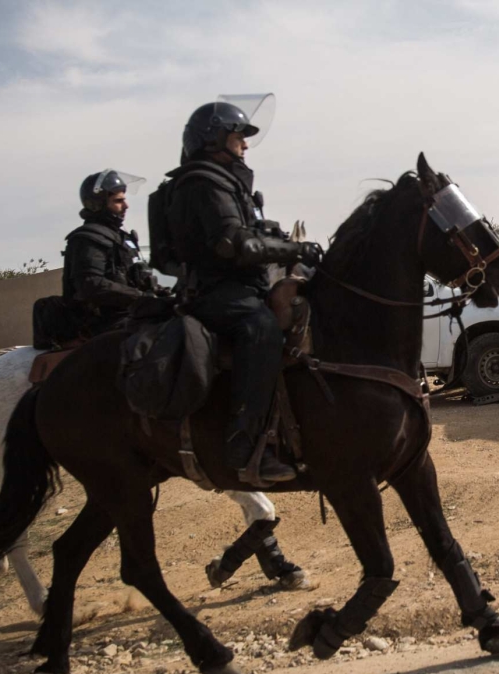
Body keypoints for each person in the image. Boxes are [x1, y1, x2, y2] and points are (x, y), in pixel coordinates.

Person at [164, 98, 319, 483]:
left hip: (239, 286)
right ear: (214, 138)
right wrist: (294, 248)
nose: (245, 144)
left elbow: (251, 233)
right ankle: (245, 446)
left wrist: (279, 239)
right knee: (261, 328)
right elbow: (234, 243)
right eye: (238, 136)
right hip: (216, 292)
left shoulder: (227, 182)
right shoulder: (203, 181)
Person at [62, 170, 166, 335]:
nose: (126, 206)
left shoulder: (123, 238)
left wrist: (161, 294)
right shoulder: (89, 238)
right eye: (118, 201)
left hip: (133, 314)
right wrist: (140, 297)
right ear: (98, 204)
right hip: (107, 322)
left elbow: (139, 279)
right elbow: (91, 284)